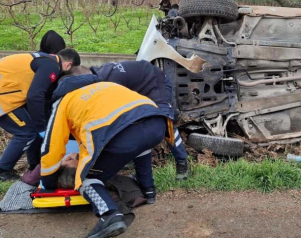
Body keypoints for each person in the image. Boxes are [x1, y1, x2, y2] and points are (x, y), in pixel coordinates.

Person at [40, 73, 166, 238]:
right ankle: (148, 190)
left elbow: (51, 146)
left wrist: (48, 183)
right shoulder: (104, 85)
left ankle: (109, 214)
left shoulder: (63, 102)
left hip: (121, 132)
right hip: (157, 123)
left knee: (84, 178)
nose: (68, 155)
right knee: (141, 145)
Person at [74, 61, 190, 183]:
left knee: (165, 121)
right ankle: (139, 172)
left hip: (155, 83)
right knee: (131, 127)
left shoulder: (108, 82)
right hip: (138, 93)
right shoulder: (98, 76)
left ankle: (182, 162)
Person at [0, 48, 81, 181]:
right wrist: (41, 128)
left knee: (30, 130)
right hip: (4, 98)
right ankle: (3, 170)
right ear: (68, 65)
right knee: (27, 132)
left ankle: (33, 165)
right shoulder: (52, 66)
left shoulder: (45, 59)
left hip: (7, 93)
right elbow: (35, 96)